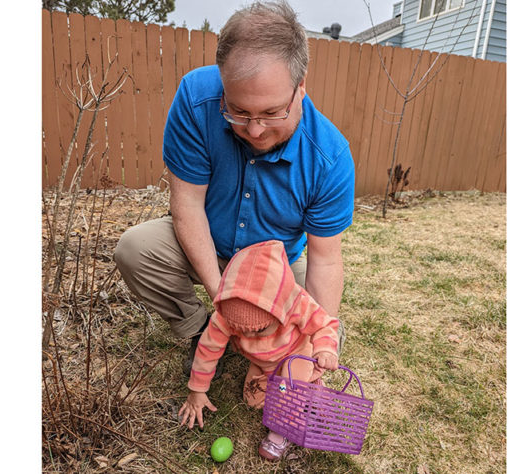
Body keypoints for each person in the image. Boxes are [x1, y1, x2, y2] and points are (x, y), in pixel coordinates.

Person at [113, 0, 354, 375]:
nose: (254, 129)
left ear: (300, 88)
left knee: (322, 327)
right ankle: (201, 331)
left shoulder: (329, 156)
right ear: (223, 86)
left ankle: (277, 351)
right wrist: (225, 302)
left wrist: (311, 346)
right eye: (239, 111)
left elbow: (325, 259)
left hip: (278, 269)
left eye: (272, 113)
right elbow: (188, 204)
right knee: (135, 249)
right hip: (208, 241)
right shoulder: (197, 99)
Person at [177, 240, 341, 461]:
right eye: (240, 330)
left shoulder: (296, 302)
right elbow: (208, 349)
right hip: (263, 363)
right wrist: (197, 389)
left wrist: (325, 349)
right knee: (253, 402)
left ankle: (281, 431)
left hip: (295, 356)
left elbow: (323, 324)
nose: (249, 336)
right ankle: (307, 390)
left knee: (288, 392)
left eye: (260, 329)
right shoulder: (226, 314)